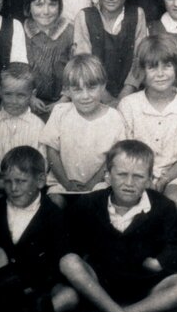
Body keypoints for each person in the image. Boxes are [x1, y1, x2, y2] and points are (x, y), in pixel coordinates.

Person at [60, 140, 177, 312]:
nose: (129, 183)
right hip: (101, 284)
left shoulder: (162, 207)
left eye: (138, 176)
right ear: (108, 176)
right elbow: (67, 243)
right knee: (69, 261)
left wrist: (159, 262)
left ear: (149, 179)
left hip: (146, 286)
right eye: (121, 175)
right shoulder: (89, 203)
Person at [0, 146, 78, 312]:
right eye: (7, 182)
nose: (13, 188)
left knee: (70, 296)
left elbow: (59, 257)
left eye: (21, 181)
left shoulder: (53, 213)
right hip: (7, 284)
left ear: (40, 181)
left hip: (42, 285)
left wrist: (36, 285)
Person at [119, 34, 177, 215]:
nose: (160, 74)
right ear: (142, 70)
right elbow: (125, 152)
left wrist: (165, 179)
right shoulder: (129, 105)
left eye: (167, 66)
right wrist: (144, 178)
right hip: (133, 171)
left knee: (173, 201)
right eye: (152, 67)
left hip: (176, 174)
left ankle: (167, 242)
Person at [40, 54, 124, 204]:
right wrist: (66, 183)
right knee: (54, 204)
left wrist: (92, 184)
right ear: (67, 90)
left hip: (99, 184)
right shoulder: (60, 112)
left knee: (95, 205)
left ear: (103, 86)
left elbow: (113, 158)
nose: (85, 96)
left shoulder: (114, 117)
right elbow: (51, 151)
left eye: (92, 87)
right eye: (77, 89)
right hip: (61, 183)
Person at [72, 0, 149, 103]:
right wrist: (105, 98)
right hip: (94, 96)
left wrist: (127, 92)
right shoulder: (84, 17)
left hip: (130, 95)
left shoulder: (137, 15)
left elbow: (140, 59)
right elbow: (84, 65)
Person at [0, 63, 46, 197]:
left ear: (32, 94)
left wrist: (31, 183)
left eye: (21, 95)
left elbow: (42, 161)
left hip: (29, 186)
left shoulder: (38, 126)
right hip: (0, 184)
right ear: (0, 92)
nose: (14, 101)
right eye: (8, 94)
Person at [21, 0, 74, 109]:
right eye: (39, 5)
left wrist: (65, 99)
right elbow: (18, 70)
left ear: (59, 6)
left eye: (52, 4)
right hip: (30, 101)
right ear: (29, 6)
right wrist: (30, 97)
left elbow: (75, 69)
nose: (46, 11)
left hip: (64, 101)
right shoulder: (21, 31)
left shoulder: (70, 32)